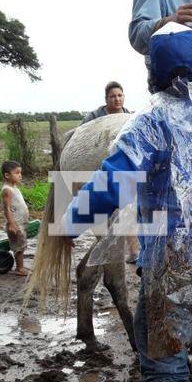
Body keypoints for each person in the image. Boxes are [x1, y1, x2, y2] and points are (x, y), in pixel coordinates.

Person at [60, 23, 192, 382]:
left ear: (152, 74)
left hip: (175, 267)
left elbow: (111, 184)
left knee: (166, 370)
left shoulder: (150, 124)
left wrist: (69, 225)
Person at [79, 81, 139, 263]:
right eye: (113, 96)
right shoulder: (95, 117)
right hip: (101, 168)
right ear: (106, 99)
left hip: (122, 169)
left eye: (120, 95)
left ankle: (134, 249)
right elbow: (82, 137)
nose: (117, 99)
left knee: (127, 208)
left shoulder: (130, 117)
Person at [1, 160, 30, 277]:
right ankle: (19, 268)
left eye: (20, 173)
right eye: (17, 173)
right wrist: (11, 224)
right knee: (19, 247)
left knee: (21, 245)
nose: (20, 175)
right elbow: (6, 209)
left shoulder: (14, 188)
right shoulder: (7, 190)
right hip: (15, 224)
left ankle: (21, 266)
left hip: (20, 223)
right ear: (7, 175)